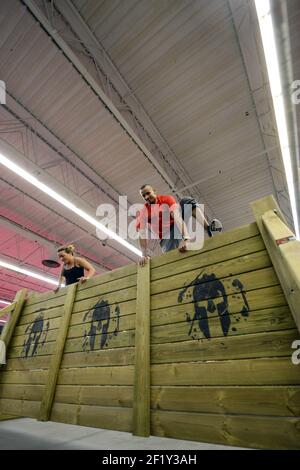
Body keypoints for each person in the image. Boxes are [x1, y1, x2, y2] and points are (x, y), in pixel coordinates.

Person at [136, 184, 222, 266]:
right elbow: (142, 234)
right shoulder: (143, 212)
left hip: (176, 226)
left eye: (148, 193)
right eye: (143, 196)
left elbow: (177, 218)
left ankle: (208, 227)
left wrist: (186, 239)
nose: (146, 197)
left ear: (154, 191)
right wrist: (144, 255)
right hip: (166, 238)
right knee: (171, 259)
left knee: (186, 201)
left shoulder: (166, 199)